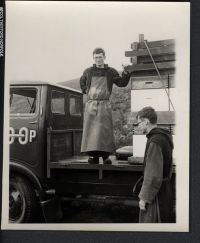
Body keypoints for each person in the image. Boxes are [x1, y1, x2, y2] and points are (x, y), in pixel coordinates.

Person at [80, 47, 131, 164]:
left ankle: (105, 156)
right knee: (91, 131)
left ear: (104, 57)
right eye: (96, 57)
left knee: (105, 131)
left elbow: (122, 83)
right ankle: (93, 156)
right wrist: (84, 90)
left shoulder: (111, 71)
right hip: (91, 104)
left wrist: (126, 73)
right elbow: (82, 81)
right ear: (93, 58)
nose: (98, 59)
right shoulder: (88, 71)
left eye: (100, 57)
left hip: (104, 104)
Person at [136, 106, 174, 223]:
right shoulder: (164, 137)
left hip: (156, 196)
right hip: (165, 191)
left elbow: (152, 174)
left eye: (139, 123)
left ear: (146, 121)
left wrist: (144, 198)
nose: (138, 126)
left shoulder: (155, 141)